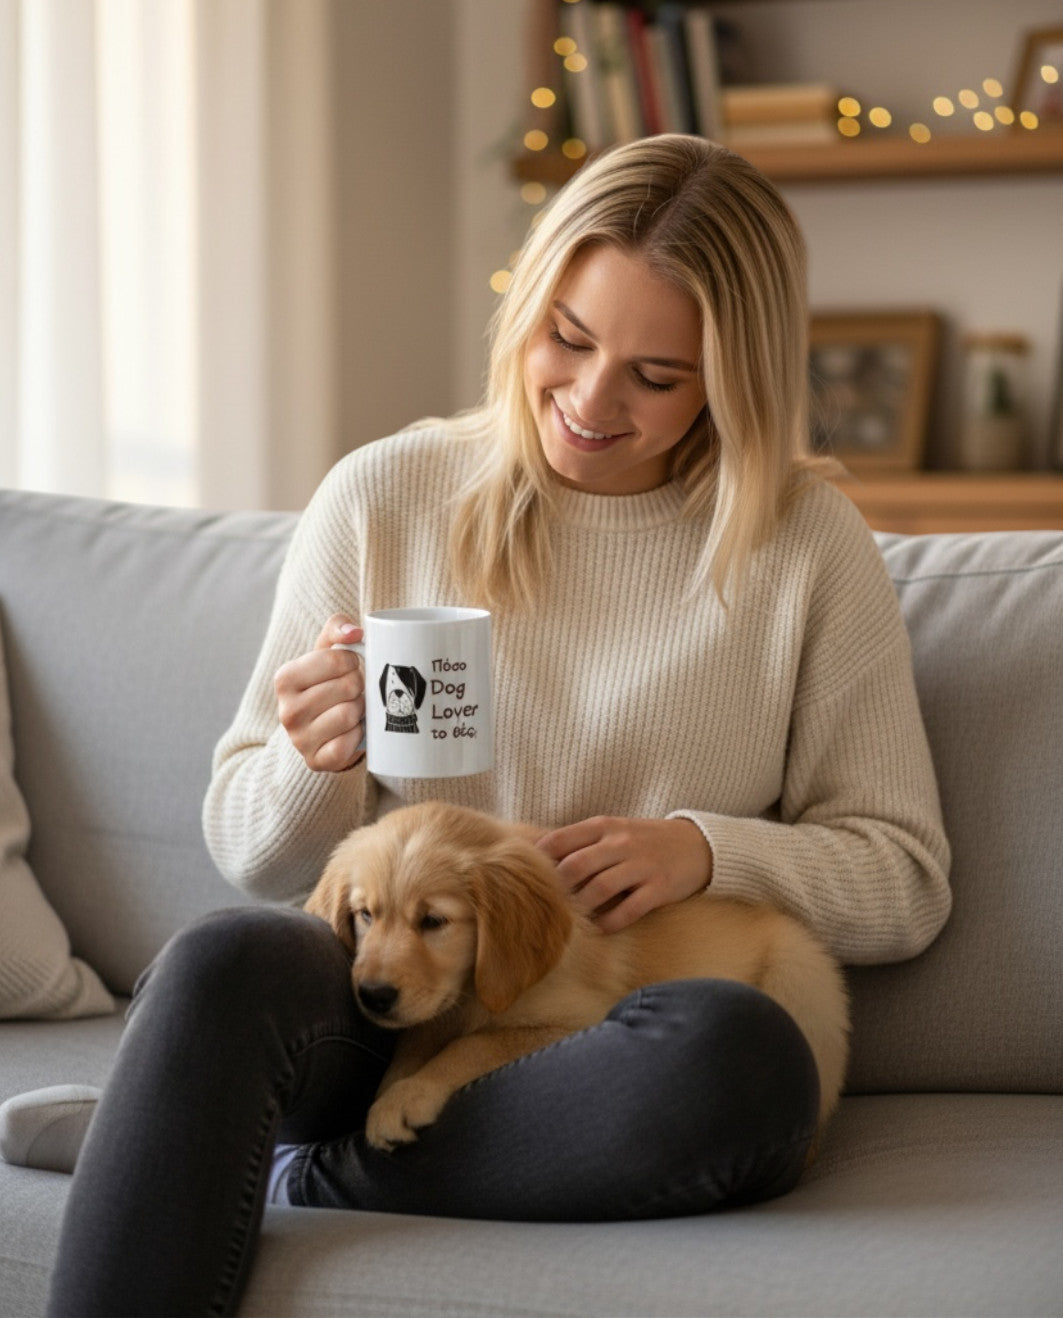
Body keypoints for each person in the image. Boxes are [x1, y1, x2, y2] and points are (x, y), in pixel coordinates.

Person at [3, 134, 950, 1317]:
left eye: (658, 376)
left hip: (599, 1034)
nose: (590, 401)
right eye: (569, 337)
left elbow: (904, 878)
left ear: (731, 379)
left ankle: (262, 1163)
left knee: (741, 1056)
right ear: (527, 310)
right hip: (379, 1017)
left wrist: (704, 850)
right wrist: (313, 753)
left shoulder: (806, 547)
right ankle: (208, 1134)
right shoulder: (385, 495)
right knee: (222, 959)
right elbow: (249, 849)